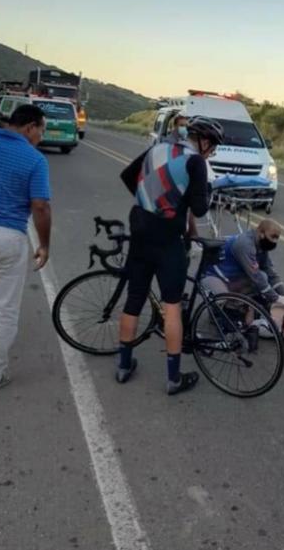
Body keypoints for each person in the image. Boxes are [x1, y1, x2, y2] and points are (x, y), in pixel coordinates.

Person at [115, 116, 220, 395]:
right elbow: (199, 208)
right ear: (204, 142)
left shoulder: (158, 148)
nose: (212, 153)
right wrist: (205, 188)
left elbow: (128, 176)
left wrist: (151, 197)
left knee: (134, 297)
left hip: (139, 227)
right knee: (172, 306)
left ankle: (123, 366)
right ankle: (173, 379)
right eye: (214, 148)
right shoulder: (195, 161)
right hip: (167, 238)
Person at [0, 104, 51, 393]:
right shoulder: (34, 160)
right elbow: (40, 206)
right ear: (29, 127)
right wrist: (44, 244)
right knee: (3, 310)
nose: (41, 136)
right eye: (42, 130)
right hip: (6, 237)